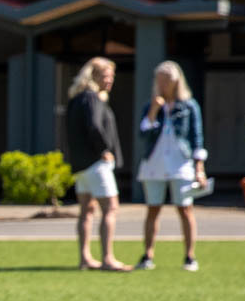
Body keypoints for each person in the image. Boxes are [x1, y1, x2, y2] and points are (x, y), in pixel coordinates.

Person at [133, 61, 208, 272]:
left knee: (185, 209)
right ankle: (148, 255)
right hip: (154, 163)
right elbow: (143, 134)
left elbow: (197, 138)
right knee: (153, 209)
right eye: (160, 80)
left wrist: (199, 168)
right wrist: (154, 110)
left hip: (180, 164)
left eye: (167, 80)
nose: (163, 84)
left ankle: (190, 256)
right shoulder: (151, 105)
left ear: (177, 81)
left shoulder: (189, 106)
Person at [64, 57, 127, 272]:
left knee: (87, 210)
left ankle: (85, 258)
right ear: (94, 76)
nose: (110, 80)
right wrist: (104, 151)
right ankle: (107, 258)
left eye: (111, 76)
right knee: (110, 207)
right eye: (105, 76)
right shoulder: (92, 98)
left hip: (81, 165)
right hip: (95, 163)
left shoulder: (77, 98)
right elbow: (94, 126)